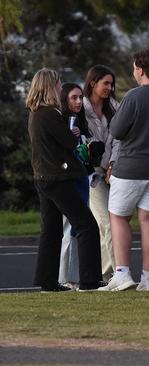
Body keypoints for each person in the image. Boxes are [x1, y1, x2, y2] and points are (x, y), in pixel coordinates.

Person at [99, 49, 149, 292]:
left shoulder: (134, 96)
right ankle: (147, 278)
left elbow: (117, 130)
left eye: (135, 68)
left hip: (133, 165)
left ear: (141, 70)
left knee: (119, 217)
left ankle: (122, 273)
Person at [26, 68, 103, 292]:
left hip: (42, 176)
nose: (60, 88)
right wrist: (75, 135)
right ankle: (90, 280)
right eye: (58, 84)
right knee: (86, 225)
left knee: (51, 230)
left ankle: (47, 281)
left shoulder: (35, 112)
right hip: (57, 177)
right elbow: (69, 143)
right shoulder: (50, 114)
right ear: (50, 86)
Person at [83, 65, 119, 282]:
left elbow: (119, 139)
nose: (109, 87)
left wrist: (113, 164)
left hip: (111, 171)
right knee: (106, 222)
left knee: (109, 222)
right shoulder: (81, 108)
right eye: (105, 83)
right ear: (93, 83)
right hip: (90, 174)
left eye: (111, 83)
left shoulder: (114, 107)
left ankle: (106, 274)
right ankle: (116, 272)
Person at [58, 83, 93, 289]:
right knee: (69, 228)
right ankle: (66, 278)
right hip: (67, 179)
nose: (79, 101)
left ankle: (74, 276)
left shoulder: (80, 120)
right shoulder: (60, 120)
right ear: (65, 99)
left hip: (83, 179)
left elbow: (85, 151)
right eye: (74, 97)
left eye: (80, 97)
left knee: (78, 228)